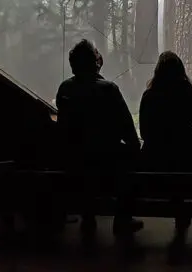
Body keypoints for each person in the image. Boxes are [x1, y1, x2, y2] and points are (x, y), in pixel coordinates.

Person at [55, 39, 141, 244]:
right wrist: (134, 147)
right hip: (107, 162)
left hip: (75, 161)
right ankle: (123, 218)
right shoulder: (109, 89)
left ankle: (88, 216)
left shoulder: (65, 88)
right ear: (95, 62)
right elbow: (126, 127)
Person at [139, 51, 192, 245]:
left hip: (153, 164)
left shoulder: (149, 96)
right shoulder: (190, 95)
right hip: (184, 162)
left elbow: (144, 132)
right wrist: (189, 148)